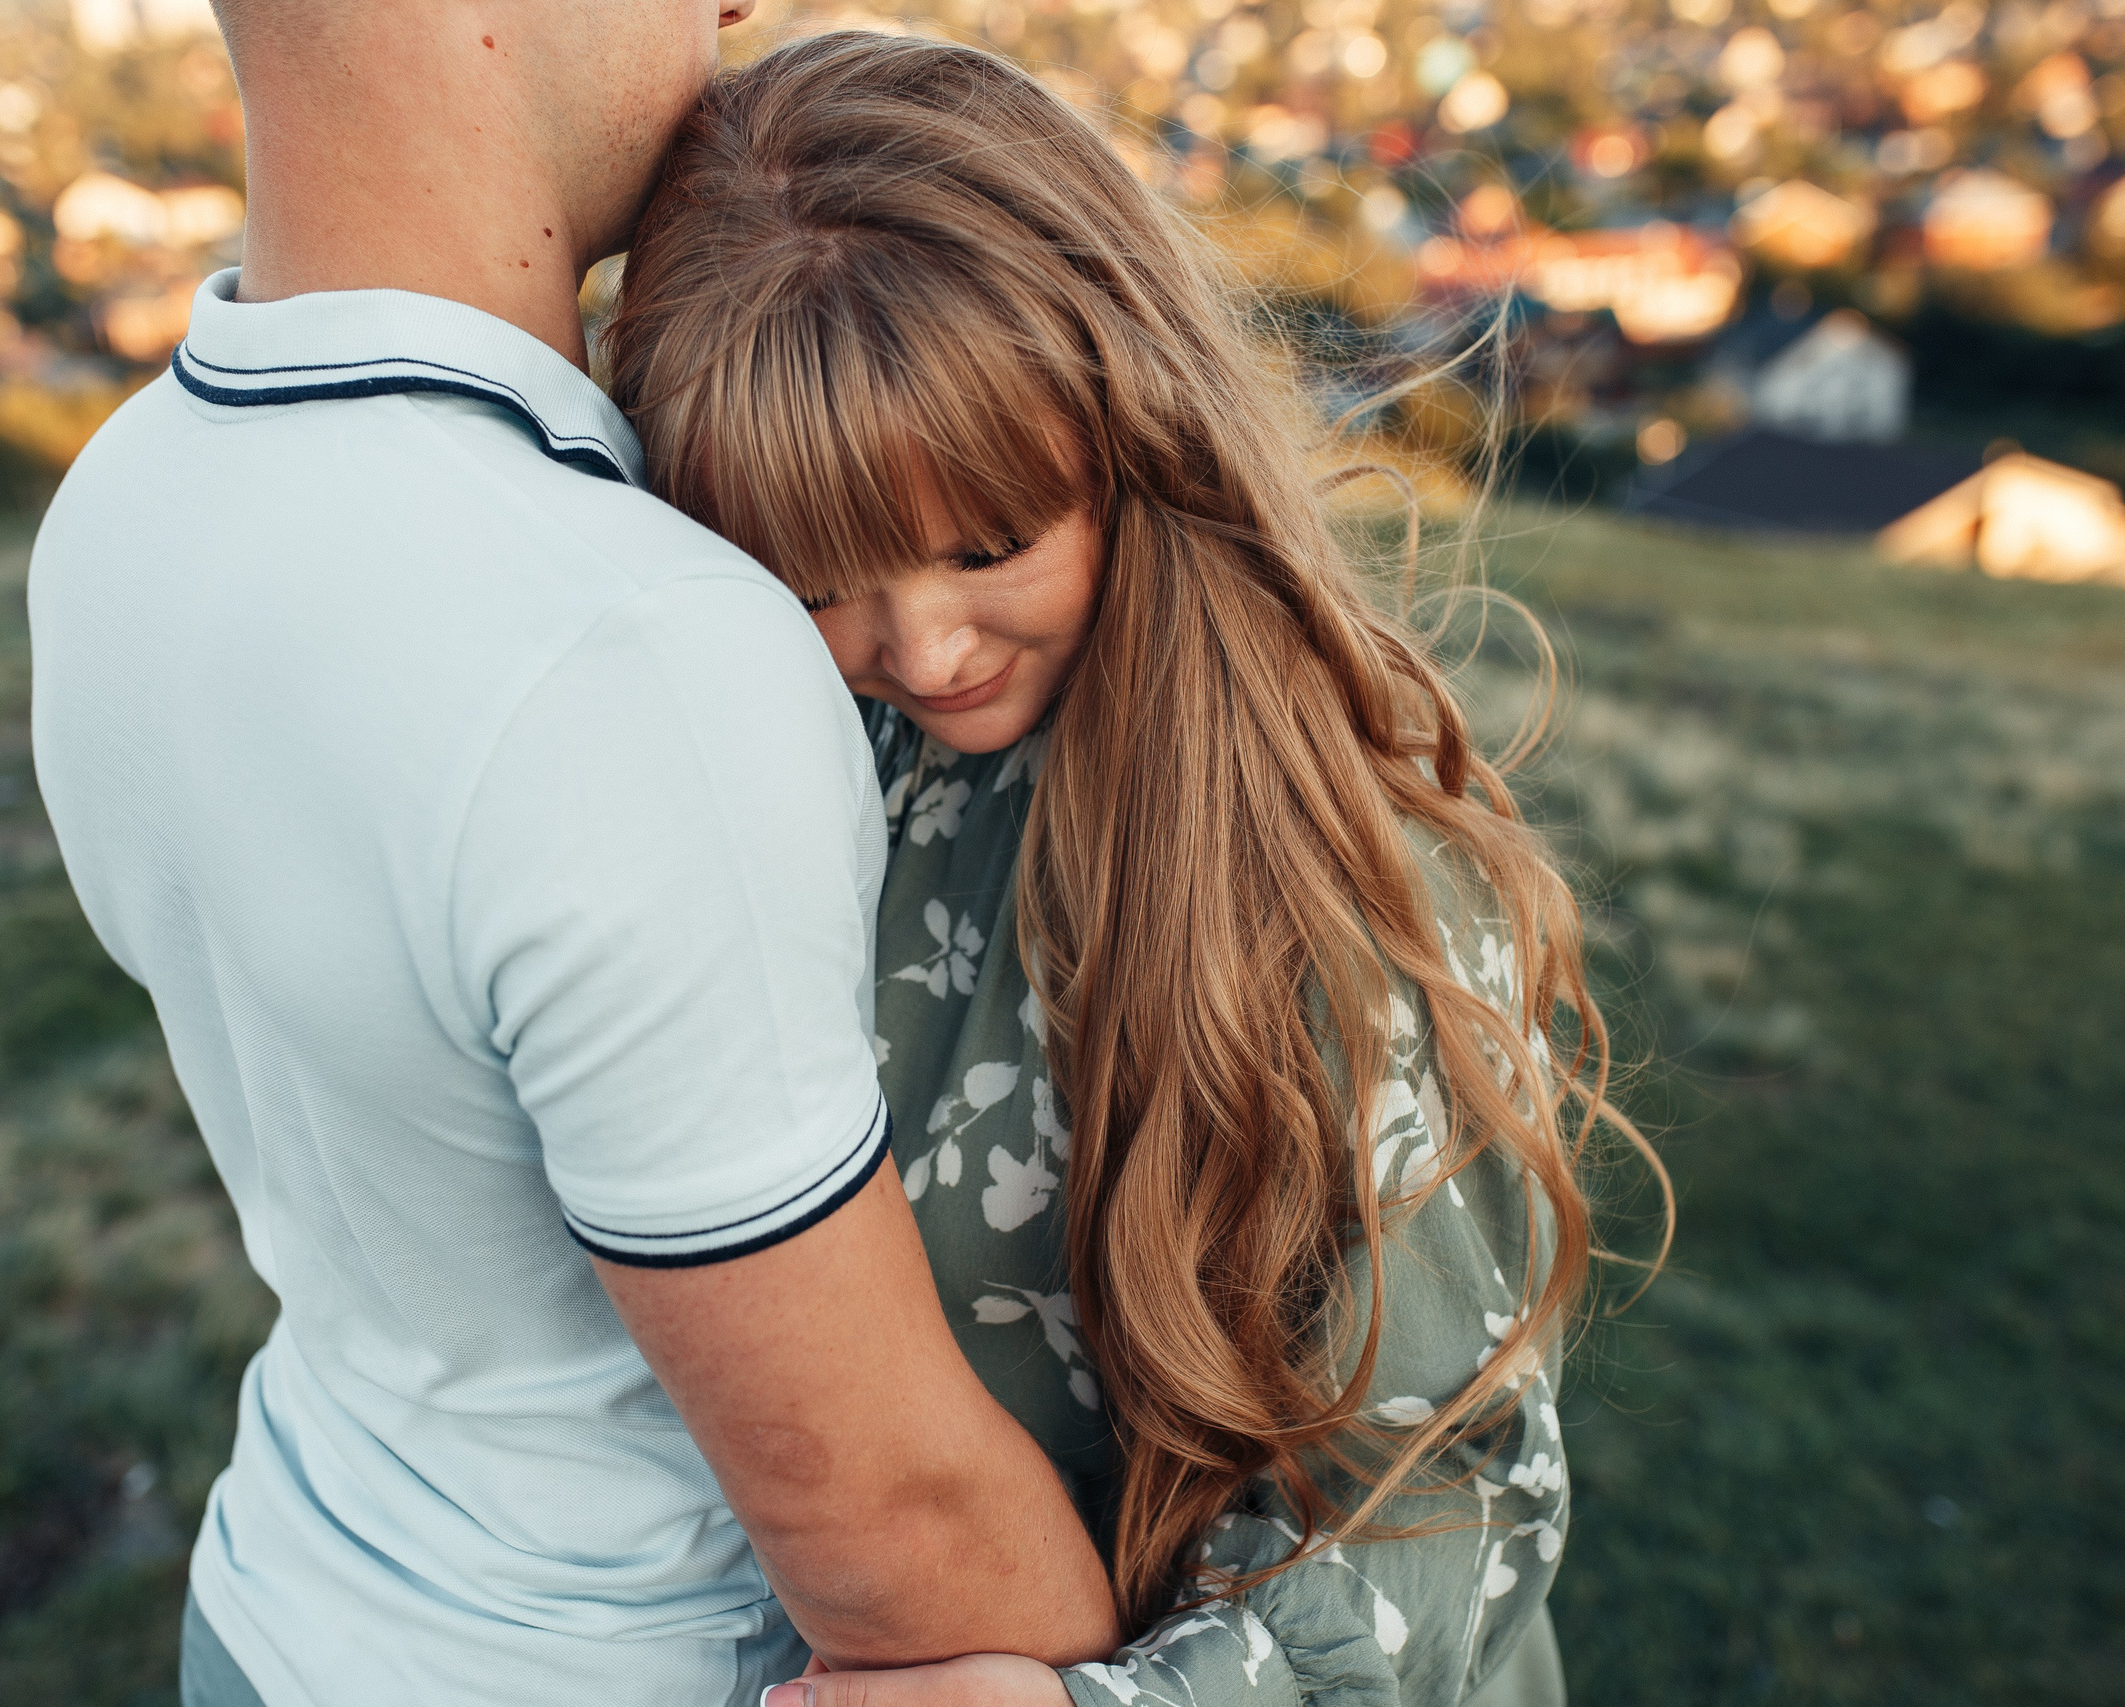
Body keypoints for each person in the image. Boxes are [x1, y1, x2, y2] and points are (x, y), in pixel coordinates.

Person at [27, 5, 1120, 1704]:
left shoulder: (123, 504)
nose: (732, 15)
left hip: (279, 1604)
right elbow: (887, 1516)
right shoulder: (630, 647)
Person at [606, 32, 1656, 1707]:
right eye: (814, 575)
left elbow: (1449, 1502)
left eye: (988, 542)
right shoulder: (778, 744)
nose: (923, 645)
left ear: (1138, 430)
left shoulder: (1318, 862)